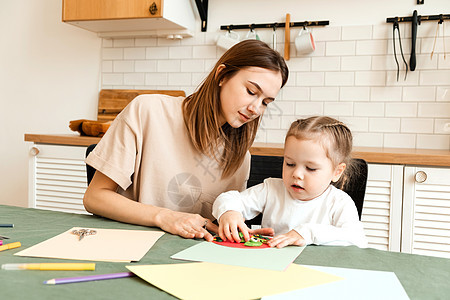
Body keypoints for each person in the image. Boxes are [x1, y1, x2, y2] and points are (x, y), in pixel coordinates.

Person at [83, 40, 289, 242]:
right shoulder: (146, 111)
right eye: (251, 92)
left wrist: (234, 231)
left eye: (265, 102)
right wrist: (164, 217)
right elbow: (95, 197)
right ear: (222, 75)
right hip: (126, 245)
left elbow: (211, 226)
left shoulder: (241, 159)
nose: (256, 109)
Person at [212, 116, 368, 248]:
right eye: (290, 164)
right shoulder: (271, 189)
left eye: (311, 168)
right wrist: (229, 212)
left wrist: (306, 233)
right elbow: (228, 199)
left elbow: (357, 239)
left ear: (337, 172)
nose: (297, 174)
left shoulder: (339, 203)